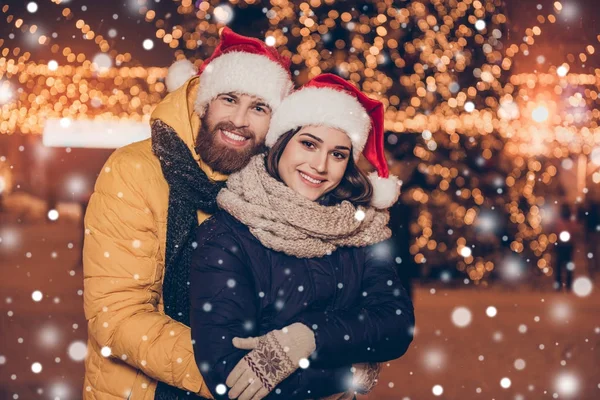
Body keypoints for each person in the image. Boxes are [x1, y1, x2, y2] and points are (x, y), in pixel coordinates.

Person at [82, 27, 294, 399]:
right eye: (229, 99)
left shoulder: (276, 186)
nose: (240, 121)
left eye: (259, 107)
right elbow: (116, 315)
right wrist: (231, 371)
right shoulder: (134, 170)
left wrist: (334, 357)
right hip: (149, 389)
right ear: (204, 101)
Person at [190, 74, 415, 400]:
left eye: (338, 154)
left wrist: (311, 337)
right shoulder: (226, 235)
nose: (319, 165)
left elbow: (396, 325)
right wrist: (347, 370)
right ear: (280, 143)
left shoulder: (361, 229)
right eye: (308, 144)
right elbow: (229, 375)